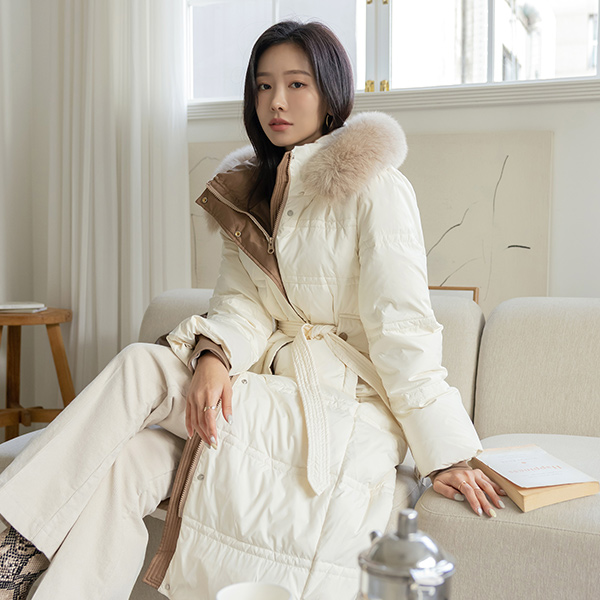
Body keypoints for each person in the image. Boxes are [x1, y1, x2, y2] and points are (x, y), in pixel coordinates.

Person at [0, 20, 504, 600]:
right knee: (131, 463)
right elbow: (241, 307)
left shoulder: (377, 187)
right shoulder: (250, 193)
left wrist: (447, 455)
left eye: (296, 84)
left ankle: (10, 545)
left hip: (344, 413)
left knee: (142, 366)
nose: (277, 102)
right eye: (264, 86)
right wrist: (213, 356)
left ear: (330, 94)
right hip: (267, 393)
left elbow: (404, 331)